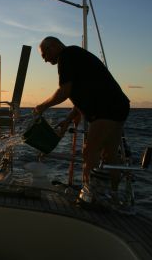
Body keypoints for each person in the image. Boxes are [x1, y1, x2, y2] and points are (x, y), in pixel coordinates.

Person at [34, 36, 130, 201]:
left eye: (44, 55)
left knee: (89, 151)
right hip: (118, 106)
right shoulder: (75, 55)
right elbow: (82, 93)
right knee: (110, 156)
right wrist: (68, 119)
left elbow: (64, 91)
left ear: (53, 47)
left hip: (106, 109)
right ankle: (114, 196)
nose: (45, 60)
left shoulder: (66, 56)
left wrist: (41, 107)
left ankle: (89, 196)